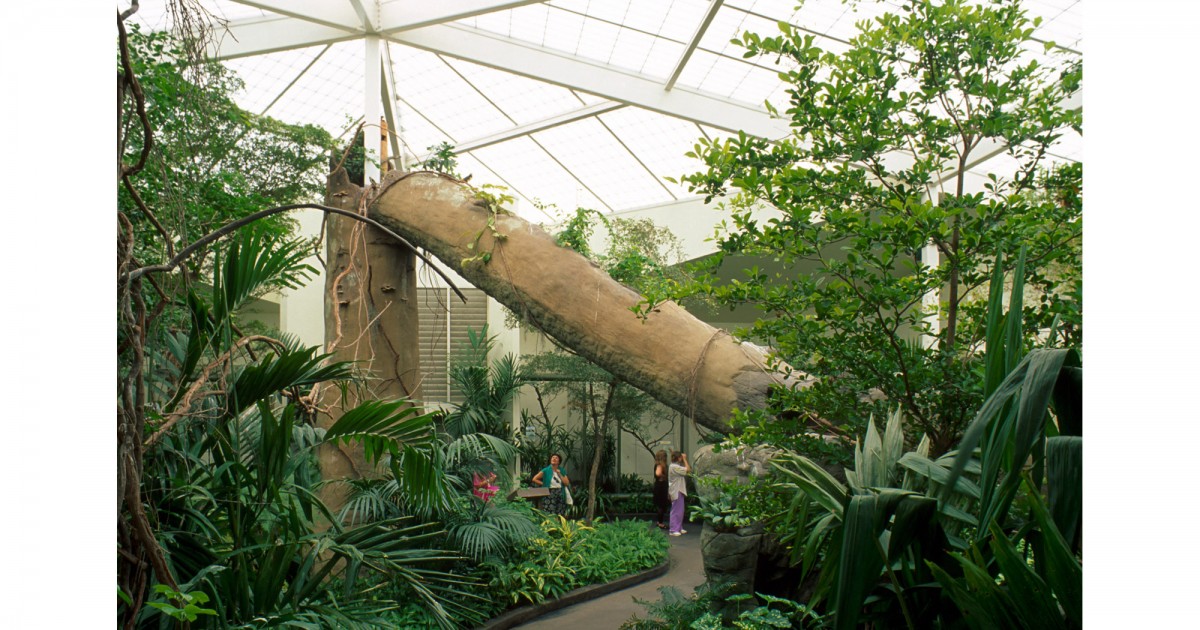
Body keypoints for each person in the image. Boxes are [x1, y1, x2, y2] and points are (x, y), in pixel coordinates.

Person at [667, 451, 690, 536]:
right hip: (676, 490)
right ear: (678, 458)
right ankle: (673, 529)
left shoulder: (674, 466)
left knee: (680, 510)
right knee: (676, 510)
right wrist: (685, 459)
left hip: (678, 490)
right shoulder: (674, 467)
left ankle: (678, 527)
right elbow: (688, 470)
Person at [652, 450, 670, 530]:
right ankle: (660, 523)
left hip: (659, 487)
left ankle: (659, 521)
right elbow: (658, 473)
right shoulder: (660, 465)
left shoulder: (657, 464)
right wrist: (664, 476)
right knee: (661, 505)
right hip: (661, 487)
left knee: (660, 505)